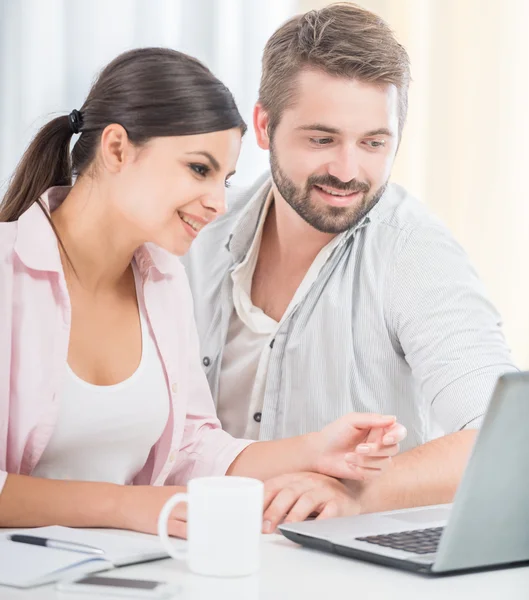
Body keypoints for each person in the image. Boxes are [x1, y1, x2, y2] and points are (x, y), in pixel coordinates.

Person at [0, 47, 407, 538]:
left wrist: (316, 450)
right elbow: (142, 500)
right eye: (199, 169)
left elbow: (192, 448)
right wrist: (129, 506)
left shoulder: (164, 282)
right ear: (115, 150)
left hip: (131, 573)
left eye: (226, 178)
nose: (217, 204)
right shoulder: (9, 275)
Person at [182, 3, 518, 533]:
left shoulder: (412, 251)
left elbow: (508, 439)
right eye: (322, 139)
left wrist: (356, 494)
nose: (347, 170)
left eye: (373, 143)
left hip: (346, 569)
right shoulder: (199, 236)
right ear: (265, 126)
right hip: (202, 544)